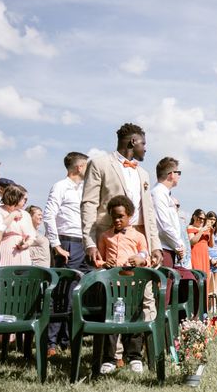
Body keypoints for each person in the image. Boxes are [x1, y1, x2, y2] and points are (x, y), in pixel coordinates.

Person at [81, 123, 162, 367]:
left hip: (138, 242)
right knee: (112, 297)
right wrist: (89, 241)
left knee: (142, 299)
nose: (146, 149)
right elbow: (88, 203)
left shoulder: (143, 174)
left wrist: (154, 245)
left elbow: (149, 212)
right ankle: (112, 356)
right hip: (110, 240)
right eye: (143, 144)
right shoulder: (100, 164)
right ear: (132, 143)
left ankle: (141, 353)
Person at [96, 195, 149, 374]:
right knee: (111, 319)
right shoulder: (105, 236)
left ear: (129, 216)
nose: (117, 220)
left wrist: (139, 260)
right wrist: (104, 264)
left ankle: (134, 356)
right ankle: (110, 358)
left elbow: (145, 256)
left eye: (121, 216)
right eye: (114, 217)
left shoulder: (138, 236)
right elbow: (100, 260)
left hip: (132, 285)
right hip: (112, 286)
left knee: (135, 316)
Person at [43, 151, 89, 357]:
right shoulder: (60, 186)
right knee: (61, 292)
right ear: (79, 167)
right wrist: (56, 244)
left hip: (84, 243)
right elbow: (48, 215)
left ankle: (67, 339)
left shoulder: (84, 190)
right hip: (67, 242)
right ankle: (51, 343)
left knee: (76, 292)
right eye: (86, 165)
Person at [151, 157, 185, 268]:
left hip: (169, 247)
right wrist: (179, 245)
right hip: (163, 249)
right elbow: (163, 225)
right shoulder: (158, 193)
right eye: (178, 172)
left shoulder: (164, 194)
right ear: (171, 174)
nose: (179, 176)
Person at [0, 184, 35, 266]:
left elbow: (32, 235)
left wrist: (27, 244)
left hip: (23, 254)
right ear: (14, 197)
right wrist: (13, 214)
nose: (26, 201)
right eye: (24, 199)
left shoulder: (26, 214)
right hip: (4, 252)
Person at [187, 209, 213, 293]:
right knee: (197, 278)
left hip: (205, 257)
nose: (201, 220)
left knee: (206, 280)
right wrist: (201, 230)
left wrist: (211, 233)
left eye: (203, 219)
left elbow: (211, 245)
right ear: (194, 217)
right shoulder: (190, 227)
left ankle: (204, 305)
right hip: (195, 255)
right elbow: (192, 241)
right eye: (200, 218)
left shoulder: (206, 229)